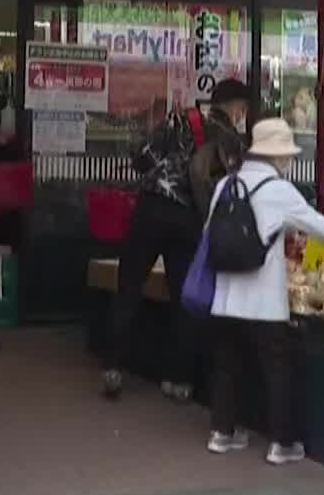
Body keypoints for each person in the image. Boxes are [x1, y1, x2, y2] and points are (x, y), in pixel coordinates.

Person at [204, 118, 324, 465]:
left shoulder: (225, 184)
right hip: (264, 301)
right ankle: (282, 443)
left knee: (227, 364)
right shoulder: (279, 191)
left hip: (224, 296)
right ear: (279, 158)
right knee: (277, 369)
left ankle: (222, 434)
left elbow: (210, 231)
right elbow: (323, 229)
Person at [102, 78, 251, 401]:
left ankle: (112, 366)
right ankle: (178, 379)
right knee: (184, 297)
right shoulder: (233, 142)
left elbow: (141, 155)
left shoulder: (182, 117)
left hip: (151, 208)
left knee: (129, 286)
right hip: (189, 220)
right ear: (237, 107)